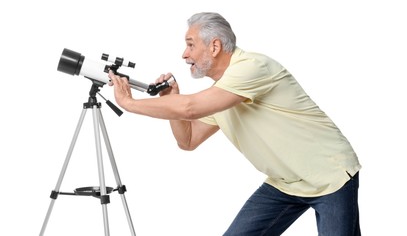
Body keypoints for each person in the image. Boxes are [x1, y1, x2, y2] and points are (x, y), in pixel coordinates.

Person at [108, 12, 362, 236]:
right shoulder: (221, 92)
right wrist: (172, 99)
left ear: (215, 46)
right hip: (286, 183)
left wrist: (129, 104)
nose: (184, 54)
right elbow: (188, 140)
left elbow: (191, 107)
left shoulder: (252, 67)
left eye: (190, 45)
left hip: (329, 175)